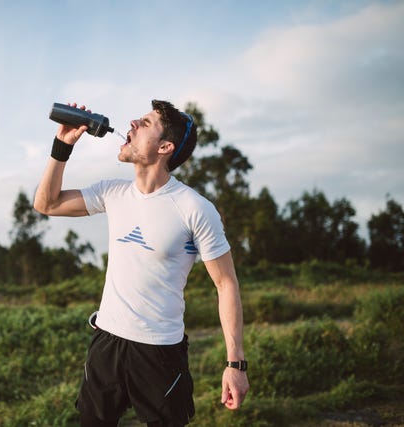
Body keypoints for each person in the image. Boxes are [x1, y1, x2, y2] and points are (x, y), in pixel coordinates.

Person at [34, 100, 249, 427]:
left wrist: (236, 365)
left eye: (146, 123)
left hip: (160, 353)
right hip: (106, 342)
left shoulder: (194, 208)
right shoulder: (112, 192)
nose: (132, 123)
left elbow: (226, 283)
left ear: (165, 147)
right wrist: (62, 145)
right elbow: (46, 203)